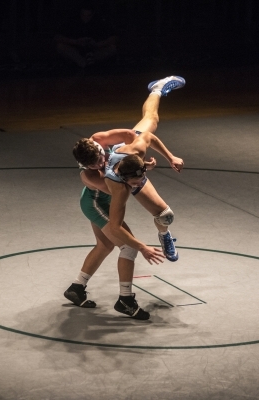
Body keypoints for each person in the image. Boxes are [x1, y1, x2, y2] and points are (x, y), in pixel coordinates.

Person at [64, 76, 185, 320]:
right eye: (96, 164)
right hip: (99, 202)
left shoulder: (100, 139)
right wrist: (142, 247)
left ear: (97, 146)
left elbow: (133, 136)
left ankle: (76, 288)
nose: (101, 163)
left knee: (150, 121)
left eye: (101, 158)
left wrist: (138, 162)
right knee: (128, 247)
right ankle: (126, 300)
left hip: (124, 172)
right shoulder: (95, 178)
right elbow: (121, 204)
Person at [53, 1, 117, 69]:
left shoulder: (99, 22)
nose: (85, 18)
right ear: (80, 13)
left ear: (92, 14)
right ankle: (84, 63)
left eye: (88, 16)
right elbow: (57, 37)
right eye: (83, 15)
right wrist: (75, 42)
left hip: (95, 51)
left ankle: (89, 61)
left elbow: (114, 37)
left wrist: (97, 44)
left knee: (112, 48)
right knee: (61, 47)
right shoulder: (73, 21)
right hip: (76, 50)